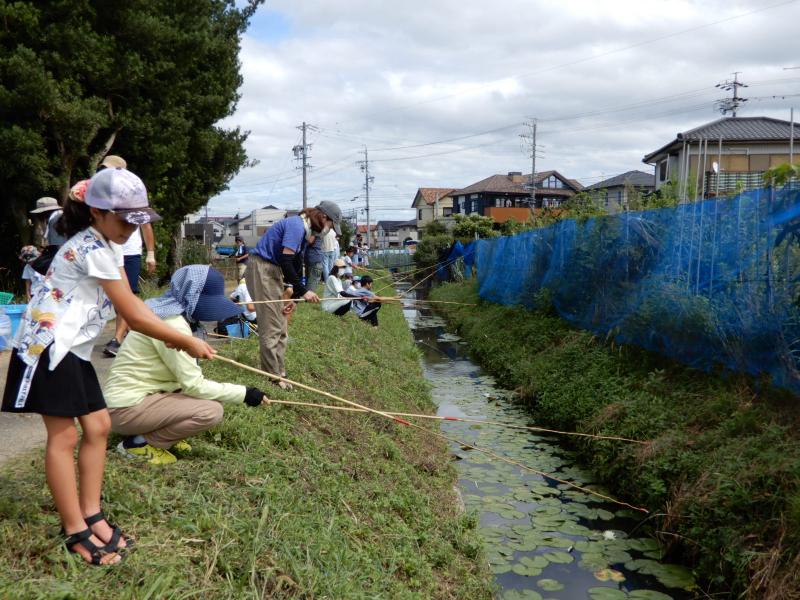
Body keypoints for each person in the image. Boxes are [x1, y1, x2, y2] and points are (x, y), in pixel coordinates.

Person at [1, 167, 214, 566]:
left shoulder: (109, 245)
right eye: (124, 221)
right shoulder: (91, 247)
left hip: (74, 350)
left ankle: (92, 512)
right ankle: (75, 530)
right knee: (63, 438)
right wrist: (184, 339)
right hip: (47, 347)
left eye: (138, 224)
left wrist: (178, 337)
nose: (131, 231)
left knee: (98, 426)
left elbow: (131, 307)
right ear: (97, 212)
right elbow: (130, 309)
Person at [105, 266, 269, 465]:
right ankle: (138, 444)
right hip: (125, 409)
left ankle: (162, 434)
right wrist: (245, 393)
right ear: (192, 296)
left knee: (193, 397)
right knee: (210, 411)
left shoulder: (167, 313)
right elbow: (194, 385)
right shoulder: (173, 324)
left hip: (135, 400)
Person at [246, 201, 342, 387]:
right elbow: (286, 259)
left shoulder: (305, 231)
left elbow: (295, 265)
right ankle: (273, 377)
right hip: (262, 269)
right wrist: (304, 291)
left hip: (274, 270)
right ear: (323, 217)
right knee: (271, 325)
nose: (329, 229)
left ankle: (280, 371)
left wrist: (295, 296)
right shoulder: (296, 226)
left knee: (281, 325)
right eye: (330, 225)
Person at [101, 156, 157, 357]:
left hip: (129, 253)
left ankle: (118, 338)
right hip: (108, 250)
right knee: (119, 300)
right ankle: (127, 336)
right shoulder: (100, 194)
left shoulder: (132, 192)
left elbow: (146, 224)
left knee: (126, 296)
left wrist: (150, 254)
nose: (131, 228)